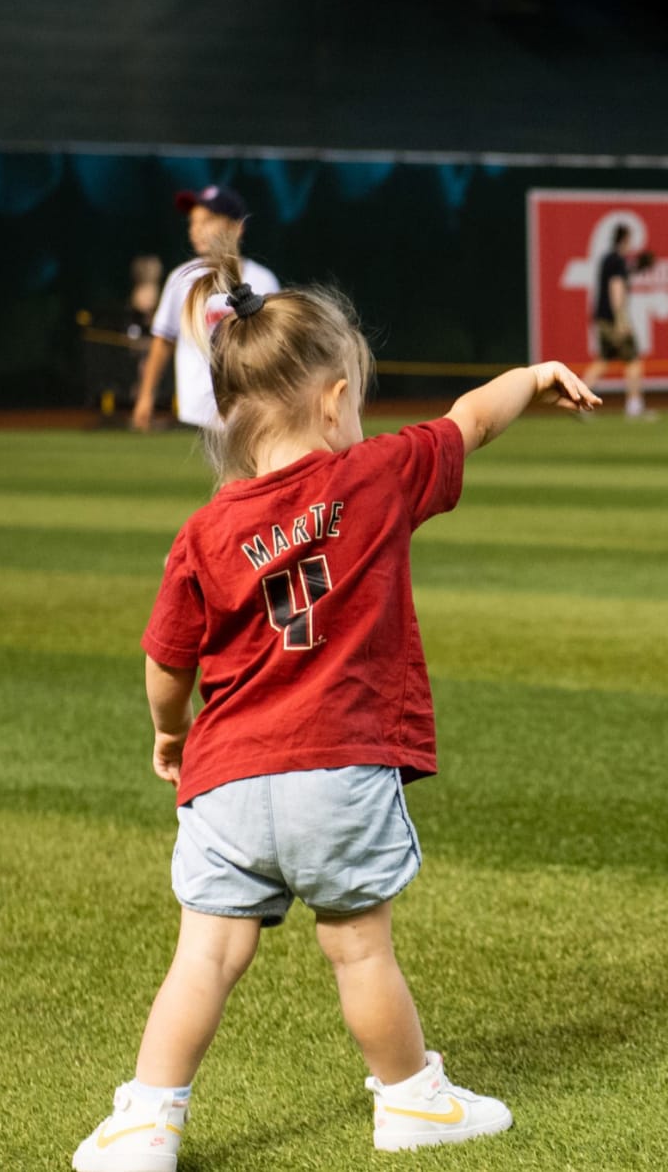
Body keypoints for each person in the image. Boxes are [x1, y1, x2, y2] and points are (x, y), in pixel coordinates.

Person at [74, 234, 602, 1171]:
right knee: (358, 951)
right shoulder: (377, 475)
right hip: (341, 769)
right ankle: (409, 1103)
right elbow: (472, 419)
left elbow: (166, 659)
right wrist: (535, 372)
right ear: (333, 400)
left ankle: (147, 1123)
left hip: (227, 775)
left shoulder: (203, 529)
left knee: (204, 959)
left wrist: (168, 732)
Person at [133, 185, 280, 432]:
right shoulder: (181, 279)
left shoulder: (264, 280)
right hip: (194, 416)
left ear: (237, 227)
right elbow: (163, 341)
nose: (197, 229)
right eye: (193, 222)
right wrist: (146, 396)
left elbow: (276, 349)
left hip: (250, 414)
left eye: (209, 220)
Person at [583, 224, 656, 421]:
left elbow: (619, 278)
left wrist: (634, 268)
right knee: (633, 360)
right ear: (624, 239)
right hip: (614, 320)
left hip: (602, 318)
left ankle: (577, 401)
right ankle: (634, 406)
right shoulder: (617, 261)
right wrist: (621, 321)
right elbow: (616, 289)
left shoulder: (609, 259)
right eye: (630, 239)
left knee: (603, 361)